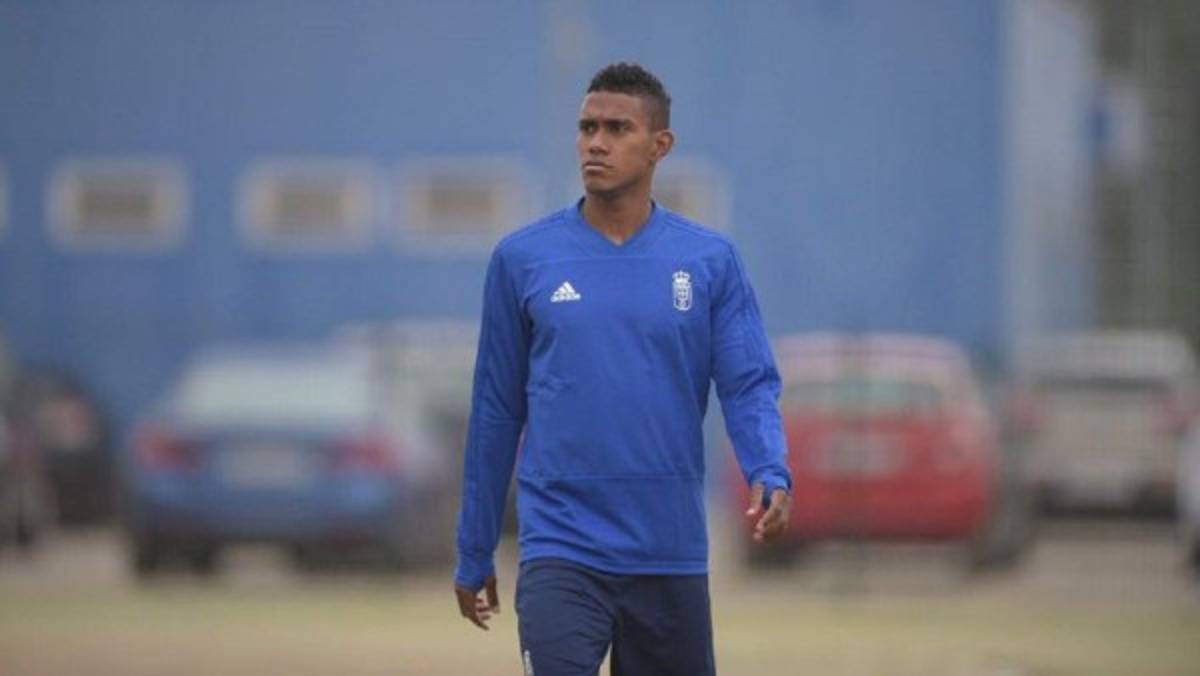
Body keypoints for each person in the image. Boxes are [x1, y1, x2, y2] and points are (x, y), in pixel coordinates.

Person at [453, 62, 792, 675]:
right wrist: (474, 547)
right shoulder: (523, 259)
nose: (596, 143)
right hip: (561, 547)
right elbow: (496, 411)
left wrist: (768, 467)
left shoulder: (709, 260)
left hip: (669, 552)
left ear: (660, 145)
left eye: (617, 129)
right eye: (587, 128)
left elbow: (747, 384)